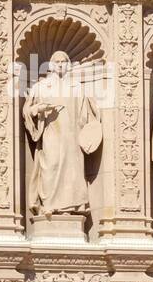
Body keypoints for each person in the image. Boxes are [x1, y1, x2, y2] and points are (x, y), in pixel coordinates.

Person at [23, 51, 101, 217]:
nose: (60, 64)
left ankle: (68, 208)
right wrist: (37, 109)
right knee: (50, 166)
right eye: (56, 61)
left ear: (68, 65)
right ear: (50, 65)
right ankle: (48, 205)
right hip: (51, 134)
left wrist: (90, 133)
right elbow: (27, 111)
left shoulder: (78, 87)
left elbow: (90, 115)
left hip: (72, 137)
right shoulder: (40, 87)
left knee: (72, 172)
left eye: (63, 61)